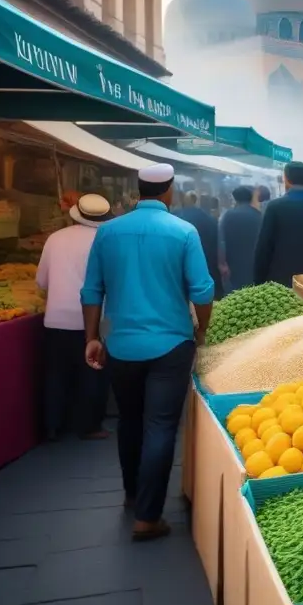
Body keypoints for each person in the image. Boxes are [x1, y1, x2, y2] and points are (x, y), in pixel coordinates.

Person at [80, 163, 215, 541]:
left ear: (138, 189)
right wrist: (202, 329)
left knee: (130, 420)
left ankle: (132, 494)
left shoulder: (107, 232)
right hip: (171, 344)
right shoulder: (184, 232)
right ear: (169, 190)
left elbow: (92, 290)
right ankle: (148, 516)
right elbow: (202, 292)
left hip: (120, 344)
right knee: (160, 426)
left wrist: (92, 337)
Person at [37, 194, 113, 442]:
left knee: (55, 374)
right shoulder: (107, 240)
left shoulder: (55, 238)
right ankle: (89, 426)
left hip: (56, 317)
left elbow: (41, 281)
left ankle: (52, 426)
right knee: (93, 372)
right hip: (94, 319)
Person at [175, 192, 223, 300]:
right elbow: (216, 244)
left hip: (177, 265)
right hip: (204, 263)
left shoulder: (174, 215)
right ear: (196, 201)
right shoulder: (209, 219)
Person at [219, 186, 263, 293]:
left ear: (235, 199)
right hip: (254, 261)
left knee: (236, 293)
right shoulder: (259, 215)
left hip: (233, 262)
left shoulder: (228, 216)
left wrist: (222, 263)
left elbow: (221, 241)